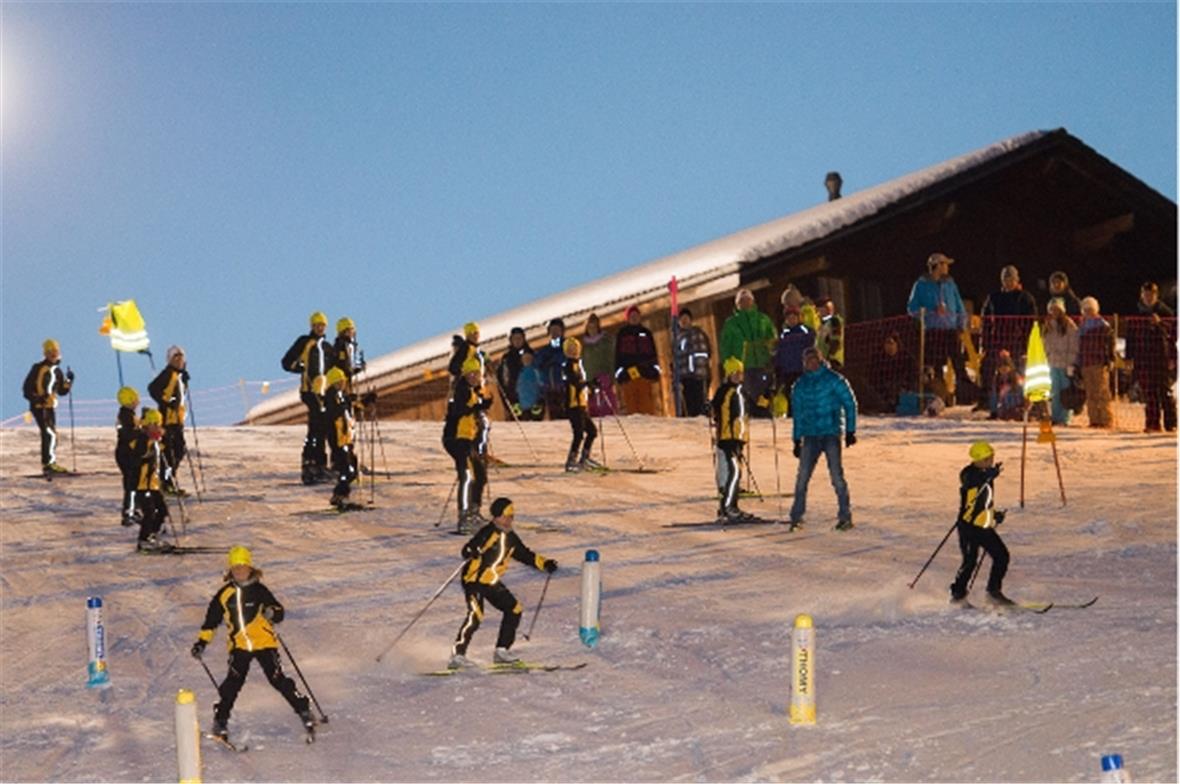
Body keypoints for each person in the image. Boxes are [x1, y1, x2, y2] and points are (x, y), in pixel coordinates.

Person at [190, 546, 313, 743]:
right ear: (230, 570)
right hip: (239, 645)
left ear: (250, 568)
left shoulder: (259, 590)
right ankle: (220, 720)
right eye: (236, 567)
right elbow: (211, 621)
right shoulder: (224, 594)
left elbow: (278, 611)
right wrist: (201, 642)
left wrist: (272, 613)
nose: (240, 571)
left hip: (264, 643)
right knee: (233, 683)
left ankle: (303, 708)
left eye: (243, 566)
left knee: (276, 678)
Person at [448, 497, 558, 669]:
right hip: (474, 580)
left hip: (491, 582)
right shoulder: (488, 532)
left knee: (514, 609)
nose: (509, 520)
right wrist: (472, 551)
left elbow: (525, 555)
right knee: (476, 615)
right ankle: (458, 655)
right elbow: (468, 549)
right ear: (497, 516)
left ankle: (502, 651)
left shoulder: (510, 538)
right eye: (506, 516)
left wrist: (545, 563)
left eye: (511, 516)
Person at [788, 347, 857, 531]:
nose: (812, 363)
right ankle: (796, 517)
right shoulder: (800, 385)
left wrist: (850, 430)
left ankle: (845, 516)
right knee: (802, 477)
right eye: (808, 360)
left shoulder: (834, 380)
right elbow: (798, 415)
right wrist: (796, 440)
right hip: (810, 436)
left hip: (830, 433)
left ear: (820, 360)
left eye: (814, 360)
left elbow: (850, 403)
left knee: (836, 476)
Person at [906, 253, 976, 405]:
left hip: (951, 330)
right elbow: (912, 308)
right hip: (932, 331)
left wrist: (961, 324)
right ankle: (939, 397)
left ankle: (965, 396)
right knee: (935, 366)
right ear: (936, 266)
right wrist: (930, 311)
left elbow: (959, 305)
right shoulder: (921, 285)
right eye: (944, 264)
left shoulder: (950, 284)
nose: (947, 267)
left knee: (959, 364)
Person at [949, 441, 1012, 606]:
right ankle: (958, 595)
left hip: (983, 528)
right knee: (970, 562)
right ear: (980, 459)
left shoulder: (985, 474)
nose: (992, 460)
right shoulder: (970, 474)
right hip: (968, 528)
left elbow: (982, 503)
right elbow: (971, 481)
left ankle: (993, 592)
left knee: (1002, 556)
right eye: (989, 458)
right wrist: (988, 475)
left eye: (992, 457)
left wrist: (993, 515)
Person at [282, 312, 333, 485]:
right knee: (315, 425)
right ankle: (310, 462)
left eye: (322, 325)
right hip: (309, 391)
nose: (319, 328)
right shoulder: (305, 342)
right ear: (311, 326)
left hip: (324, 392)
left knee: (323, 426)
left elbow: (333, 369)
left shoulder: (326, 346)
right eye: (317, 325)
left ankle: (320, 464)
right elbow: (286, 362)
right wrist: (301, 368)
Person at [443, 357, 493, 532]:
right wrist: (477, 408)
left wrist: (483, 404)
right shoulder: (461, 390)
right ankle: (464, 516)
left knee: (480, 475)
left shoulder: (472, 390)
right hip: (457, 439)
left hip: (468, 439)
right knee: (467, 476)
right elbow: (459, 410)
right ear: (465, 374)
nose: (474, 376)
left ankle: (473, 511)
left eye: (476, 374)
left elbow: (474, 411)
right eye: (470, 373)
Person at [979, 265, 1037, 415]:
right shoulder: (993, 298)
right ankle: (991, 404)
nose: (1008, 282)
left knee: (1018, 374)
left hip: (1017, 343)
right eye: (1006, 279)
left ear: (1017, 280)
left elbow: (1030, 324)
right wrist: (985, 343)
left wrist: (1026, 345)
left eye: (1011, 278)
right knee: (990, 373)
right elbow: (985, 322)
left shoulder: (1025, 298)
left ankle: (1020, 404)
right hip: (997, 342)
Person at [1126, 281, 1177, 433]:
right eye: (1146, 294)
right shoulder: (1136, 315)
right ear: (1142, 295)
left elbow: (1173, 337)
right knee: (1149, 392)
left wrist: (1160, 324)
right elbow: (1131, 338)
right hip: (1143, 358)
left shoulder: (1166, 313)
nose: (1148, 297)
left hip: (1161, 356)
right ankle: (1152, 423)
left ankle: (1171, 423)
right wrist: (1129, 358)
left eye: (1151, 294)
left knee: (1165, 391)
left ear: (1156, 295)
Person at [720, 289, 777, 416]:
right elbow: (725, 347)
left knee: (764, 394)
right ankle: (748, 416)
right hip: (742, 367)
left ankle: (764, 416)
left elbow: (772, 339)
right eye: (742, 301)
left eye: (747, 300)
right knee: (746, 394)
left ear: (753, 301)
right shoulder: (731, 324)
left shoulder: (763, 319)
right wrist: (729, 367)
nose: (745, 303)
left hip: (762, 364)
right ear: (737, 304)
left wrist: (771, 354)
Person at [22, 338, 74, 475]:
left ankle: (50, 462)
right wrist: (38, 398)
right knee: (49, 433)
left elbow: (62, 391)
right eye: (50, 351)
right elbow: (27, 389)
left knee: (51, 433)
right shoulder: (38, 368)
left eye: (55, 351)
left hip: (50, 406)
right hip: (39, 406)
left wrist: (69, 381)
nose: (53, 354)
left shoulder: (57, 371)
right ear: (45, 353)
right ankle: (48, 464)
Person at [711, 357, 752, 522]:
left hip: (738, 438)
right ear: (728, 374)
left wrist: (764, 402)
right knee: (734, 472)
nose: (738, 375)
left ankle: (730, 507)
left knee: (735, 472)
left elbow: (749, 409)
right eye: (735, 373)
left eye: (740, 372)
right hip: (729, 439)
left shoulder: (739, 391)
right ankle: (728, 508)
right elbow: (718, 408)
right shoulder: (727, 391)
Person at [148, 345, 190, 494]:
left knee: (178, 450)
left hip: (177, 420)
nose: (179, 359)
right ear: (170, 359)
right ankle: (165, 483)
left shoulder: (179, 375)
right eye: (175, 357)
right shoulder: (167, 374)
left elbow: (179, 395)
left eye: (181, 356)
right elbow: (153, 388)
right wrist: (165, 401)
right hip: (167, 420)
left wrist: (184, 380)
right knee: (170, 452)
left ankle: (168, 481)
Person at [447, 322, 492, 461]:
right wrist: (465, 374)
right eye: (473, 333)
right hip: (468, 386)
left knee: (480, 420)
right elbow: (453, 367)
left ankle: (478, 451)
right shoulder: (466, 348)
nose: (475, 336)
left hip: (476, 385)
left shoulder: (475, 349)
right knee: (477, 420)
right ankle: (476, 452)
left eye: (477, 333)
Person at [131, 409, 172, 552]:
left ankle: (152, 534)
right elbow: (138, 457)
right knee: (149, 512)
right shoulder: (141, 439)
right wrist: (150, 451)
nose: (159, 428)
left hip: (153, 484)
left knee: (162, 509)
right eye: (156, 425)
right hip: (143, 484)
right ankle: (143, 539)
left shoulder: (152, 440)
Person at [613, 305, 662, 415]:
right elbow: (618, 356)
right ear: (628, 318)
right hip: (629, 375)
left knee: (647, 405)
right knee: (631, 406)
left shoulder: (646, 333)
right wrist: (620, 373)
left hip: (645, 374)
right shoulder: (622, 334)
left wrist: (654, 370)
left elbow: (653, 354)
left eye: (636, 315)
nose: (634, 318)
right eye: (631, 316)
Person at [323, 367, 359, 510]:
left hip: (345, 439)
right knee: (347, 469)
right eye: (341, 381)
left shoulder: (339, 396)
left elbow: (348, 412)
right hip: (338, 439)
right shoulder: (331, 395)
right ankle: (340, 495)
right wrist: (347, 401)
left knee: (351, 468)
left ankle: (341, 495)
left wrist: (365, 401)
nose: (343, 384)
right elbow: (335, 412)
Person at [562, 338, 600, 472]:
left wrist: (591, 386)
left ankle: (584, 458)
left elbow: (581, 385)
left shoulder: (579, 365)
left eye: (575, 349)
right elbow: (575, 383)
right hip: (573, 405)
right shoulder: (568, 366)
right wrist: (588, 384)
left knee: (592, 431)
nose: (573, 352)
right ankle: (571, 461)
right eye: (570, 350)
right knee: (578, 433)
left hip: (581, 404)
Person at [1041, 298, 1081, 426]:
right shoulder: (1047, 326)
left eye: (1056, 309)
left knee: (1065, 391)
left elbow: (1074, 345)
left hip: (1065, 364)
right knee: (1055, 391)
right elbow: (1044, 344)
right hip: (1052, 363)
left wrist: (1071, 362)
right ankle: (1055, 416)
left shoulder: (1069, 325)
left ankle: (1064, 418)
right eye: (1052, 309)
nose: (1054, 312)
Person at [1077, 296, 1115, 428]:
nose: (1088, 312)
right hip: (1086, 362)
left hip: (1099, 362)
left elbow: (1110, 344)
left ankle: (1106, 419)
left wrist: (1110, 359)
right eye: (1085, 309)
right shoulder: (1082, 327)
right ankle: (1094, 419)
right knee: (1090, 392)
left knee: (1102, 392)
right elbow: (1079, 346)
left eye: (1090, 309)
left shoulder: (1103, 325)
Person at [773, 306, 814, 413]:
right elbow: (780, 352)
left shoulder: (805, 332)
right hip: (787, 370)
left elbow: (811, 347)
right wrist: (778, 366)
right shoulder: (784, 334)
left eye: (793, 317)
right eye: (789, 318)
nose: (791, 320)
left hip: (802, 369)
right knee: (790, 394)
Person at [864, 332, 916, 414]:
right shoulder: (878, 359)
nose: (889, 346)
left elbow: (912, 377)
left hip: (902, 391)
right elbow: (872, 378)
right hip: (883, 392)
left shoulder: (907, 359)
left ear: (897, 345)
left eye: (891, 343)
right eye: (886, 343)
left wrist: (904, 387)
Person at [672, 308, 712, 417]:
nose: (684, 321)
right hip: (685, 377)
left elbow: (706, 353)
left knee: (700, 405)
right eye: (681, 319)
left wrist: (703, 372)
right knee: (688, 406)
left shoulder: (699, 334)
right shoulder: (678, 338)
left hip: (699, 376)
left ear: (690, 319)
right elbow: (676, 359)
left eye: (686, 318)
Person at [579, 314, 618, 419]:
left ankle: (609, 418)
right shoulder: (584, 345)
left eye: (594, 327)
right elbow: (582, 363)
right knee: (593, 404)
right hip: (590, 377)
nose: (592, 329)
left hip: (604, 375)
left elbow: (611, 359)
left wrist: (611, 376)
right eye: (590, 327)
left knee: (606, 400)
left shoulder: (605, 341)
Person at [115, 387, 141, 526]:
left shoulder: (129, 414)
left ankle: (134, 509)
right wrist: (142, 431)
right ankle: (128, 512)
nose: (138, 400)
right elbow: (129, 435)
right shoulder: (126, 416)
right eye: (136, 398)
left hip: (127, 453)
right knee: (131, 484)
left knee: (135, 483)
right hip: (126, 454)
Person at [532, 318, 568, 421]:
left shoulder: (566, 347)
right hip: (549, 388)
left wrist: (552, 361)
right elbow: (537, 364)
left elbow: (565, 359)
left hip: (564, 386)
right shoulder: (545, 350)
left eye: (557, 330)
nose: (555, 333)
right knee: (554, 413)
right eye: (552, 330)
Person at [496, 327, 533, 421]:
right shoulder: (506, 358)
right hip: (513, 396)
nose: (517, 341)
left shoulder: (531, 354)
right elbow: (501, 379)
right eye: (515, 338)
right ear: (511, 340)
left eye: (519, 338)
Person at [990, 350, 1025, 421]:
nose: (1003, 370)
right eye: (1001, 368)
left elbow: (1022, 393)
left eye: (1006, 367)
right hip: (1005, 406)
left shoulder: (1016, 378)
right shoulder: (997, 380)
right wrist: (994, 411)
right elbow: (994, 396)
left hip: (1016, 404)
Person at [815, 297, 844, 369]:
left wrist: (830, 354)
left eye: (820, 309)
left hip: (833, 359)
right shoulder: (822, 324)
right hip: (825, 359)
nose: (818, 312)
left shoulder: (833, 322)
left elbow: (835, 339)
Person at [515, 352, 545, 422]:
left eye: (528, 359)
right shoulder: (521, 372)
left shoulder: (535, 371)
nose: (526, 361)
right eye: (524, 359)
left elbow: (541, 384)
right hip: (524, 402)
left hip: (534, 402)